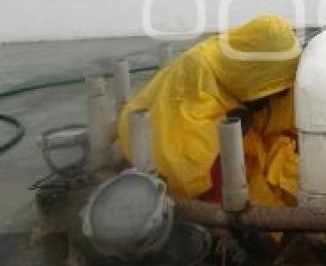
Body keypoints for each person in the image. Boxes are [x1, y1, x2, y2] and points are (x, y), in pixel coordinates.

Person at [118, 15, 301, 205]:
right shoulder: (198, 71)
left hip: (246, 145)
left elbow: (287, 117)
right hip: (166, 142)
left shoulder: (255, 71)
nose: (279, 95)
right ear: (258, 74)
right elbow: (185, 156)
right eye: (274, 88)